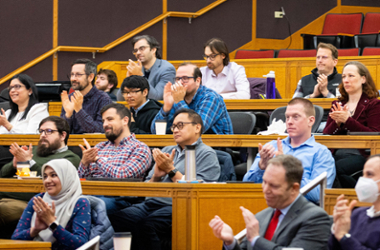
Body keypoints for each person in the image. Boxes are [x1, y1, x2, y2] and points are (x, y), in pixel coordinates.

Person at [108, 109, 221, 250]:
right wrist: (156, 176)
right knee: (117, 218)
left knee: (147, 225)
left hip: (178, 205)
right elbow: (148, 188)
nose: (175, 130)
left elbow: (200, 192)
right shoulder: (167, 149)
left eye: (180, 125)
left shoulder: (207, 154)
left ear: (197, 127)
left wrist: (171, 171)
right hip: (152, 203)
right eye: (173, 126)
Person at [210, 155, 331, 250]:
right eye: (264, 182)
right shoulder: (261, 217)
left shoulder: (315, 218)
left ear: (294, 188)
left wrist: (256, 239)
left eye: (273, 185)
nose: (265, 189)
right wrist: (230, 242)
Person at [0, 116, 81, 238]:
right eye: (41, 131)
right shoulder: (34, 151)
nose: (43, 135)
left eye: (48, 131)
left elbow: (49, 182)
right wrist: (14, 164)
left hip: (32, 202)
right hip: (6, 195)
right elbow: (3, 174)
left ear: (63, 135)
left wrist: (29, 162)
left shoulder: (70, 158)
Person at [243, 98, 335, 203]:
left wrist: (287, 169)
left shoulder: (321, 153)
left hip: (300, 211)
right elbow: (247, 185)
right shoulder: (271, 147)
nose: (289, 122)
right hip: (266, 206)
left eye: (296, 117)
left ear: (311, 121)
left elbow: (318, 194)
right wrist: (261, 167)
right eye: (287, 117)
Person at [323, 61, 380, 188]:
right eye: (343, 77)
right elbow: (326, 134)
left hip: (361, 153)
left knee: (335, 169)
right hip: (335, 152)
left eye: (351, 76)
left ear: (363, 79)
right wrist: (337, 123)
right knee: (320, 166)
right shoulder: (337, 103)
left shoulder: (373, 104)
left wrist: (348, 121)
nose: (346, 80)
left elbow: (374, 134)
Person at [12, 159, 91, 250]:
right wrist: (35, 230)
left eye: (53, 175)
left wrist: (52, 224)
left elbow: (81, 244)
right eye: (45, 176)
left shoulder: (80, 203)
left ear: (66, 177)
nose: (47, 181)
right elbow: (15, 239)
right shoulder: (38, 200)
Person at [150, 62, 233, 135]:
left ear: (197, 81)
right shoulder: (177, 98)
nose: (180, 82)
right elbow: (155, 131)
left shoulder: (211, 98)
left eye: (185, 78)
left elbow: (196, 129)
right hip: (183, 146)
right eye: (178, 79)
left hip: (216, 148)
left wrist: (179, 101)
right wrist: (166, 108)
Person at [78, 103, 151, 179]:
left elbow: (122, 175)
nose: (105, 124)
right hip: (90, 190)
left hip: (121, 190)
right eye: (103, 121)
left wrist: (97, 160)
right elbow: (78, 180)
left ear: (125, 121)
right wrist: (84, 163)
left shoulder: (140, 148)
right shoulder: (99, 147)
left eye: (110, 119)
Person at [329, 154, 380, 249]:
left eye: (369, 174)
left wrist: (344, 237)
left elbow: (345, 240)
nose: (363, 180)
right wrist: (337, 229)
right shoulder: (357, 214)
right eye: (363, 175)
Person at [0, 74, 49, 169]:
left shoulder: (38, 109)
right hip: (6, 150)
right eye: (10, 88)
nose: (12, 90)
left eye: (17, 87)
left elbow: (30, 137)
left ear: (30, 90)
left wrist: (8, 126)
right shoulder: (9, 113)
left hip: (26, 152)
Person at [60, 58, 113, 134]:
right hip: (73, 144)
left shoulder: (103, 99)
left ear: (90, 77)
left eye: (78, 75)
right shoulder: (70, 98)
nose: (73, 78)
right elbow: (62, 133)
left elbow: (100, 129)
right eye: (72, 74)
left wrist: (79, 111)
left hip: (95, 145)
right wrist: (68, 115)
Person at [116, 35, 176, 101]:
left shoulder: (167, 69)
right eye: (136, 50)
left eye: (142, 49)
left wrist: (140, 76)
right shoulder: (136, 67)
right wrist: (127, 80)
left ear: (153, 50)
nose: (138, 53)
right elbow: (120, 99)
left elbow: (157, 98)